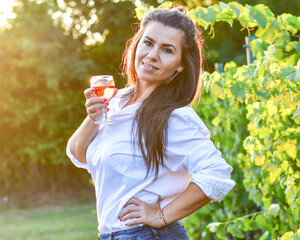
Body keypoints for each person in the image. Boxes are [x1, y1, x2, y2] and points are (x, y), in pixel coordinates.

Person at [66, 6, 235, 240]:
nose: (153, 54)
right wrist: (93, 118)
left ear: (180, 64)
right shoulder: (116, 102)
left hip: (148, 235)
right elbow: (79, 154)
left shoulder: (173, 117)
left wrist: (161, 216)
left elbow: (217, 175)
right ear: (137, 45)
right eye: (148, 43)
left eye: (167, 50)